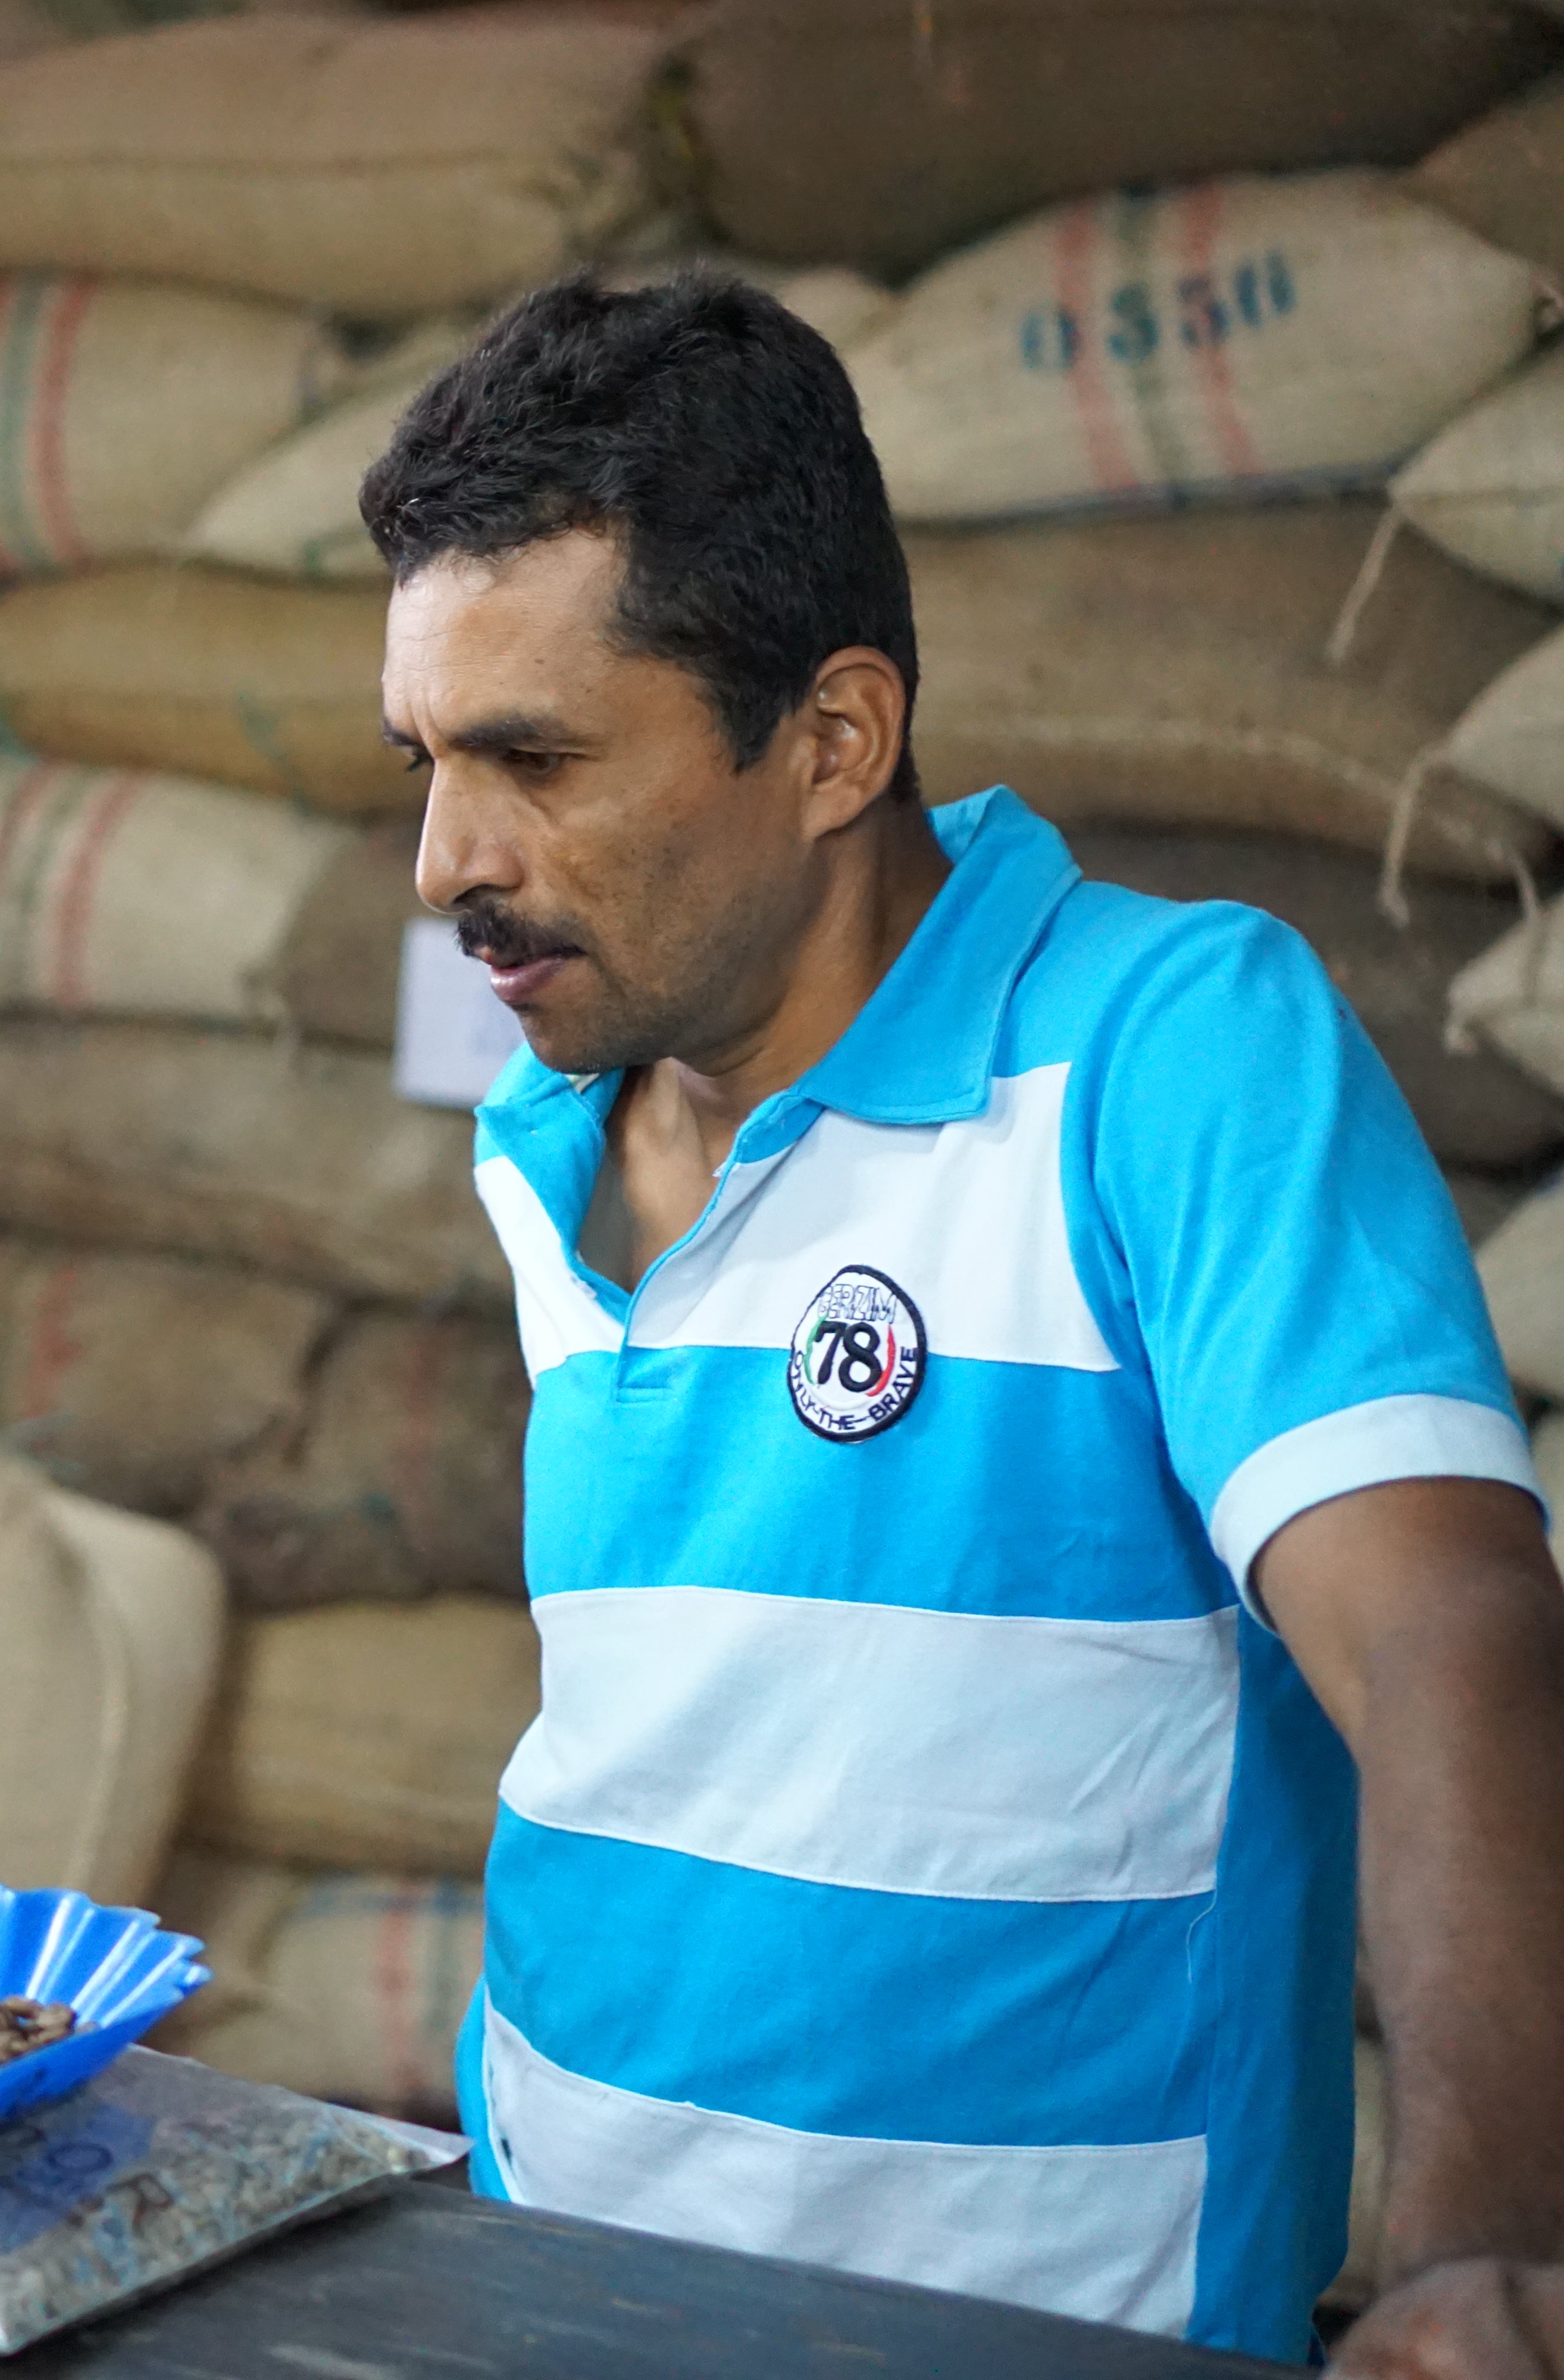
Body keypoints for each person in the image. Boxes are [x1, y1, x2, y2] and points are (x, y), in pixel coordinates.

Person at [362, 270, 1564, 2370]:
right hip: (547, 2290)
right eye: (428, 761)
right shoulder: (542, 1124)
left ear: (835, 741)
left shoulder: (1168, 1051)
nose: (447, 856)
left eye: (532, 757)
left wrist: (1482, 2247)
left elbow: (1448, 1632)